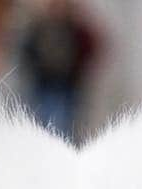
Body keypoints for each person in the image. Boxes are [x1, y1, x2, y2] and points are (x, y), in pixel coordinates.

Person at [19, 0, 99, 139]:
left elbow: (91, 47)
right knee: (44, 121)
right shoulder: (39, 26)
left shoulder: (76, 28)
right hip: (44, 84)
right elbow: (26, 50)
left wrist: (79, 70)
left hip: (67, 86)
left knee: (65, 122)